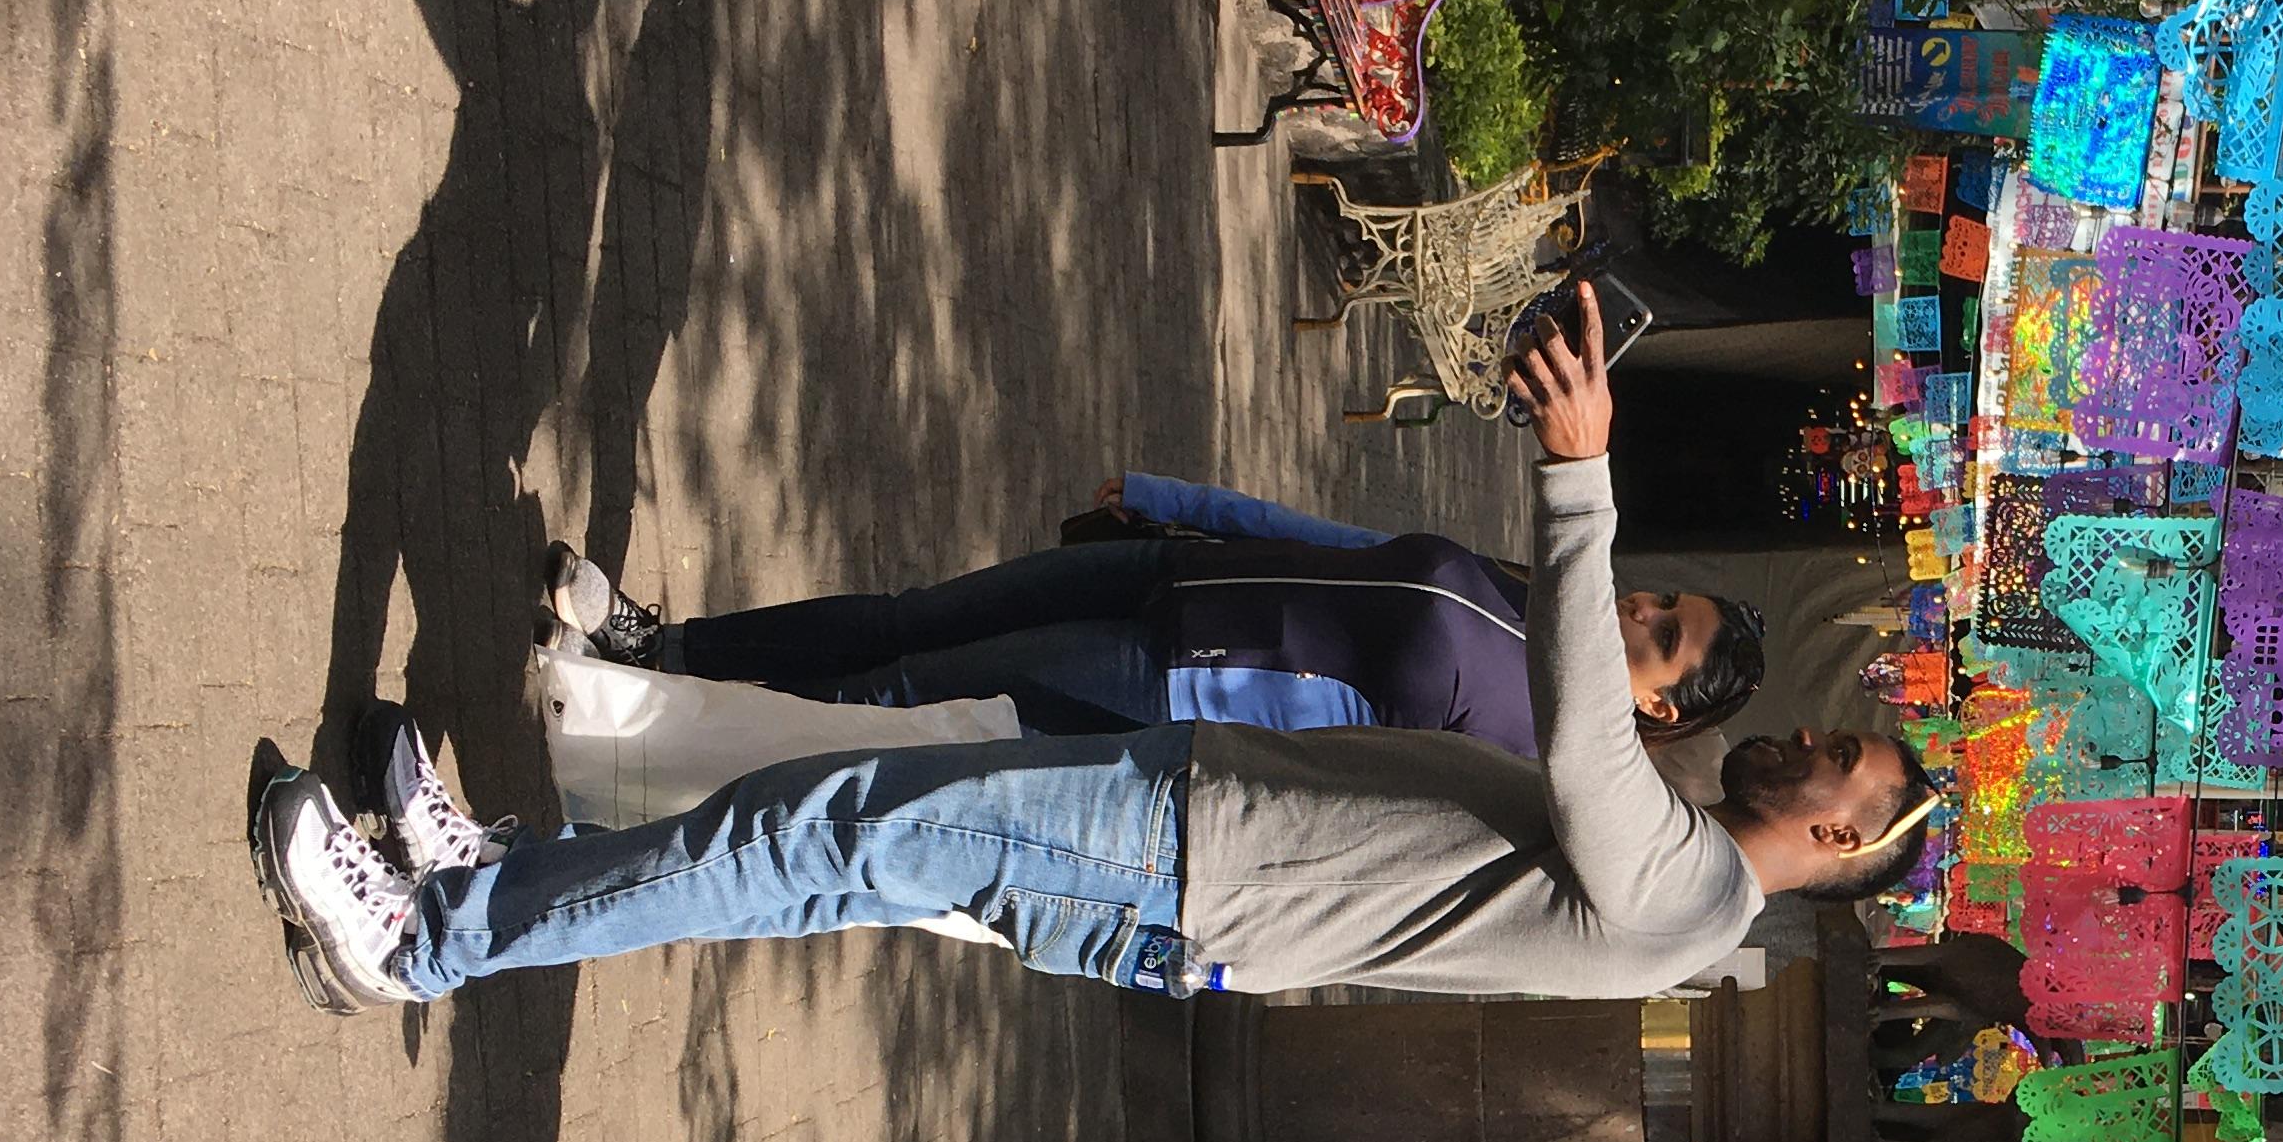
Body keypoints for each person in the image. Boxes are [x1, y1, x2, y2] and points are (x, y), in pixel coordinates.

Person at [252, 288, 1939, 1017]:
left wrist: (1582, 474)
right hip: (1186, 812)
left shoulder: (1691, 895)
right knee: (825, 812)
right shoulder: (1680, 857)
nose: (1800, 743)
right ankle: (496, 881)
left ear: (1845, 842)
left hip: (1184, 863)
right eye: (1826, 733)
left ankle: (432, 938)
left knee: (811, 836)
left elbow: (1578, 743)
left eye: (1829, 763)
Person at [533, 472, 1768, 752]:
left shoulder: (1529, 745)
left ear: (1659, 701)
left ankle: (628, 717)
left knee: (895, 699)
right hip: (1169, 574)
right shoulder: (1525, 588)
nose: (1635, 607)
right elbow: (1338, 547)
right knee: (908, 618)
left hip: (1164, 682)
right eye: (1658, 594)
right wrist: (1182, 502)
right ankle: (664, 643)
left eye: (1661, 633)